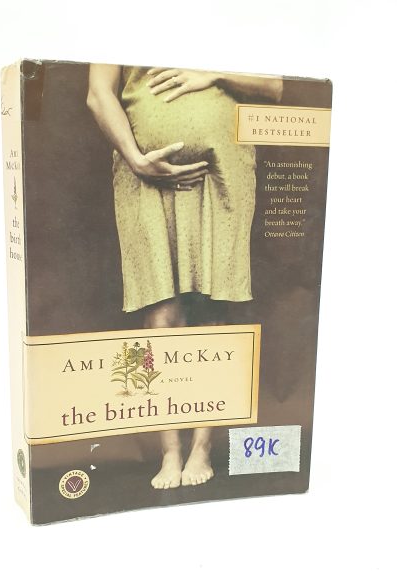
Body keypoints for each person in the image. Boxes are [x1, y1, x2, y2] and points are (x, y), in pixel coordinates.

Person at [87, 64, 283, 489]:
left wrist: (216, 75)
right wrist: (135, 158)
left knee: (213, 309)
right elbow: (98, 93)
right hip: (142, 172)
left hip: (223, 169)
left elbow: (276, 86)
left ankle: (202, 447)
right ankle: (170, 450)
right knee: (159, 315)